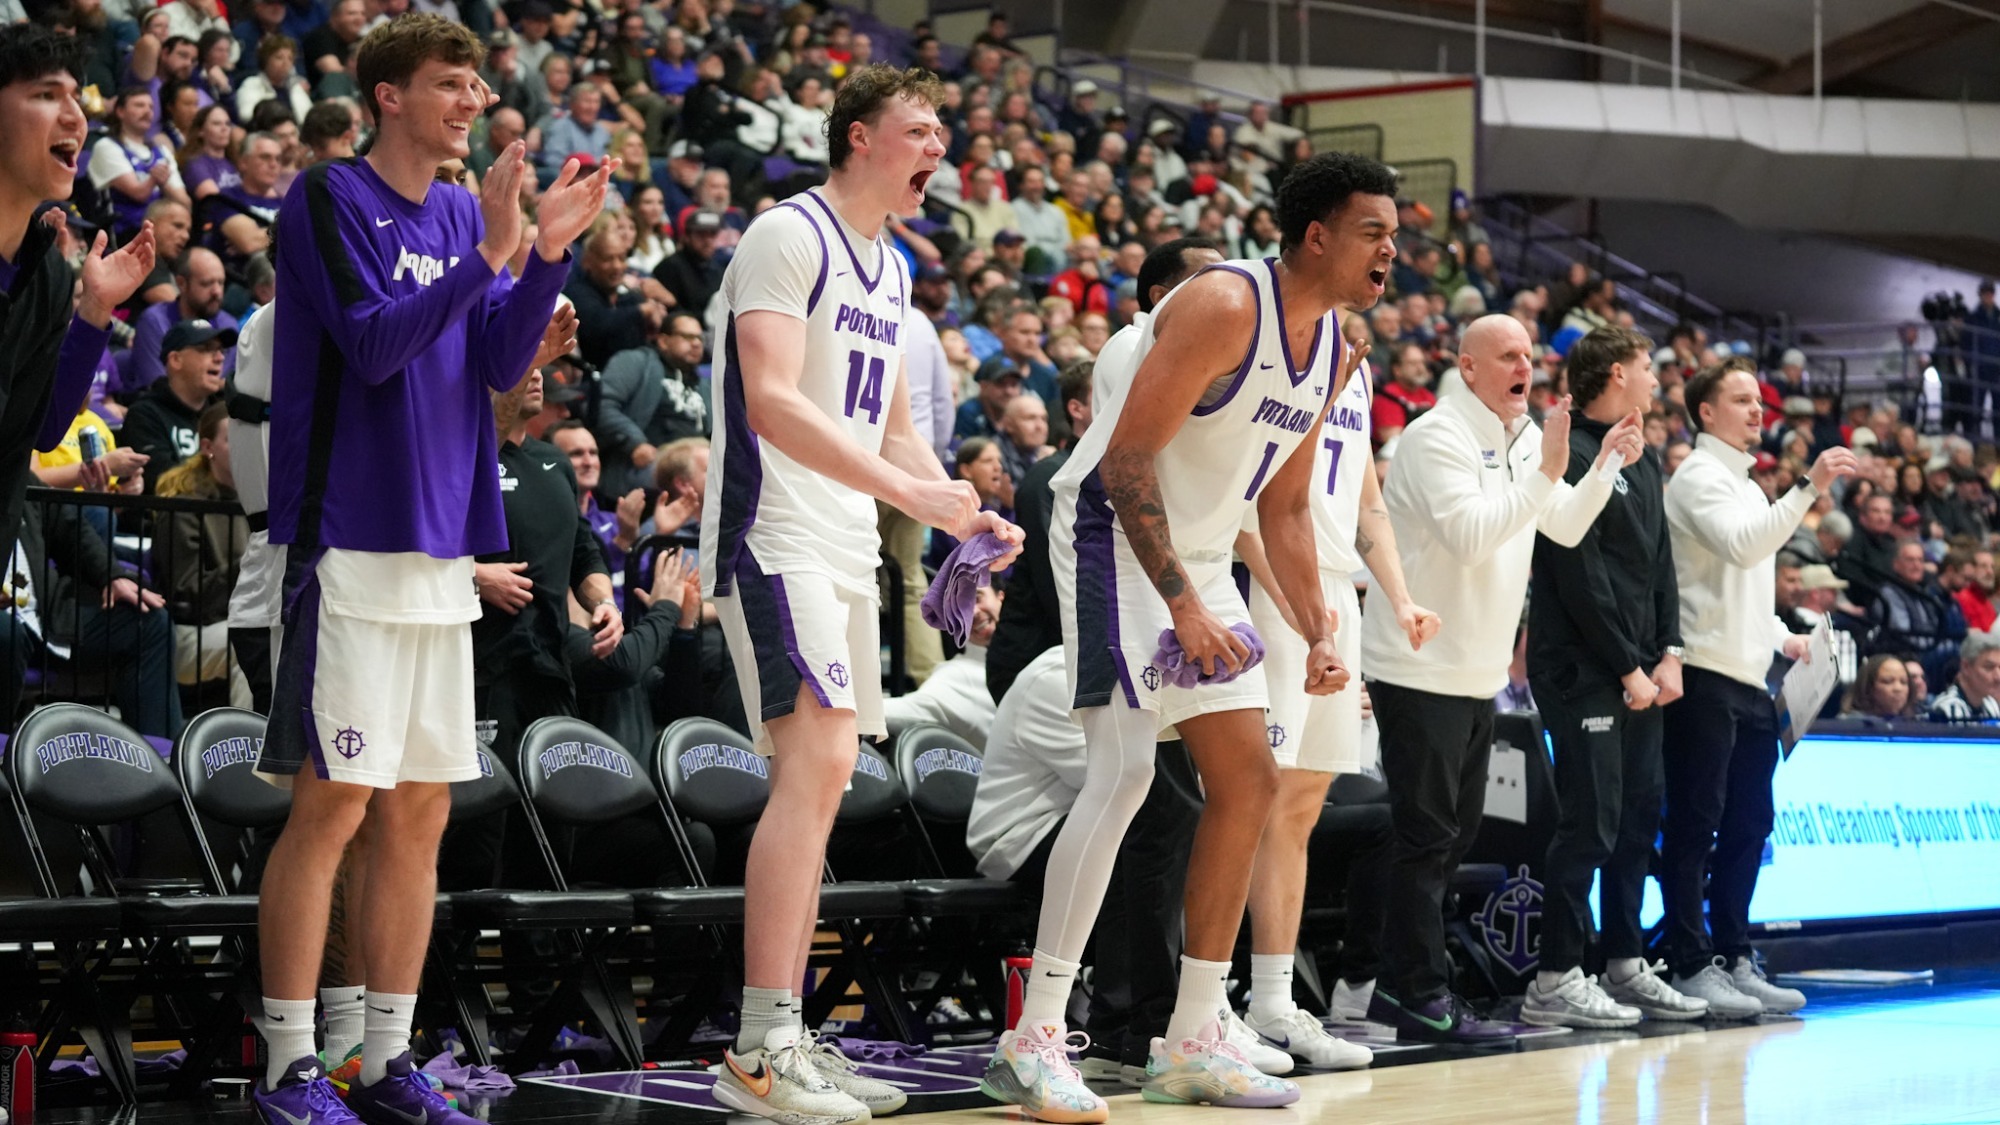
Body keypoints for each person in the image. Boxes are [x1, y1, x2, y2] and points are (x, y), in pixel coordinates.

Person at [250, 15, 611, 1125]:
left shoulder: (464, 211)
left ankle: (383, 1056)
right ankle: (287, 1064)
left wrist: (542, 252)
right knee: (331, 808)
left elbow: (502, 365)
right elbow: (369, 344)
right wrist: (491, 257)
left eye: (475, 86)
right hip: (348, 538)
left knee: (417, 817)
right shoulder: (325, 198)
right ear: (389, 97)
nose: (470, 103)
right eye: (449, 86)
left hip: (441, 550)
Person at [986, 152, 1399, 1121]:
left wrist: (1312, 626)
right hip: (1110, 534)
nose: (1391, 250)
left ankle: (1193, 1035)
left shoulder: (1337, 345)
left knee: (1249, 779)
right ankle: (1034, 1033)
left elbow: (1289, 507)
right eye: (1373, 231)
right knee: (1125, 772)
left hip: (1205, 552)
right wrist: (1181, 605)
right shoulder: (1221, 304)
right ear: (1315, 237)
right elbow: (1125, 463)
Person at [697, 65, 1019, 1125]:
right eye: (919, 130)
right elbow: (771, 400)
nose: (938, 150)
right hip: (774, 530)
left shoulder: (889, 270)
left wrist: (953, 512)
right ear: (856, 136)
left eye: (941, 133)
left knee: (827, 781)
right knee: (820, 762)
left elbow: (889, 429)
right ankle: (757, 1045)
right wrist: (904, 490)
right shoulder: (787, 235)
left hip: (842, 542)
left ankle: (782, 1035)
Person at [1362, 312, 1640, 1044]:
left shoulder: (1516, 440)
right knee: (1427, 838)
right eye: (1509, 354)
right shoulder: (1435, 437)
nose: (1525, 364)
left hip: (1476, 672)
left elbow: (1565, 525)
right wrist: (1548, 469)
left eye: (1529, 354)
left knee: (1448, 841)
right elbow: (1472, 533)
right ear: (1469, 366)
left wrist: (1604, 462)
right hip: (1418, 667)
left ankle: (1396, 980)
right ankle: (1412, 990)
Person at [1226, 308, 1433, 1069]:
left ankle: (1274, 1000)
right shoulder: (1269, 361)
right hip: (1272, 591)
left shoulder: (1359, 376)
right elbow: (1245, 499)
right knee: (1253, 796)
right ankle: (1212, 997)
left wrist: (1399, 597)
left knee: (1304, 801)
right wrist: (1293, 606)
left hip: (1335, 597)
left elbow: (1367, 501)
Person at [1520, 326, 1709, 1029]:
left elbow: (1659, 564)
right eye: (1647, 368)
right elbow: (1578, 576)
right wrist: (1629, 666)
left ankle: (1625, 963)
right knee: (1589, 824)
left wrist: (1670, 652)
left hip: (1642, 670)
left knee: (1637, 821)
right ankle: (1554, 975)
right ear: (1616, 374)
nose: (1657, 380)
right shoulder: (1564, 452)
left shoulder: (1648, 456)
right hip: (1583, 669)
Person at [1660, 360, 1858, 1021]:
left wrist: (1785, 638)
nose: (1757, 409)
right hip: (1703, 672)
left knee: (1749, 824)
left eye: (1758, 400)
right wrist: (1808, 487)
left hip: (1748, 677)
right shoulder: (1696, 477)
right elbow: (1746, 550)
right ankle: (1688, 963)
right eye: (1740, 399)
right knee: (1696, 822)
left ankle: (1734, 955)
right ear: (1706, 412)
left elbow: (1743, 585)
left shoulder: (1745, 484)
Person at [0, 24, 158, 566]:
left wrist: (93, 313)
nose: (75, 116)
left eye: (76, 96)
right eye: (46, 95)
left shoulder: (47, 276)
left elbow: (41, 430)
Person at [121, 318, 232, 490]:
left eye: (220, 350)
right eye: (207, 349)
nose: (219, 357)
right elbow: (161, 482)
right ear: (175, 360)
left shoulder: (224, 412)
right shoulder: (145, 415)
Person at [131, 246, 238, 389]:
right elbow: (157, 386)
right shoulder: (154, 321)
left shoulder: (228, 326)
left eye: (221, 283)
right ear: (181, 283)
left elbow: (220, 387)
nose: (217, 292)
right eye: (206, 284)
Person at [1866, 539, 1966, 685]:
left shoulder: (1922, 593)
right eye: (1910, 560)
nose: (1916, 565)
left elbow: (1935, 626)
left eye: (1920, 560)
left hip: (1927, 650)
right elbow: (1904, 634)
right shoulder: (1889, 594)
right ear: (1896, 564)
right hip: (1904, 656)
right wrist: (1936, 645)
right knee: (1956, 653)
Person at [1925, 631, 2000, 721]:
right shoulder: (1946, 709)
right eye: (1989, 667)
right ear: (1966, 667)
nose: (1998, 677)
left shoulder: (1991, 704)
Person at [1840, 653, 1914, 720]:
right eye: (1887, 681)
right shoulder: (1848, 726)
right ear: (1868, 687)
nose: (1898, 688)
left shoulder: (1915, 724)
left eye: (1904, 682)